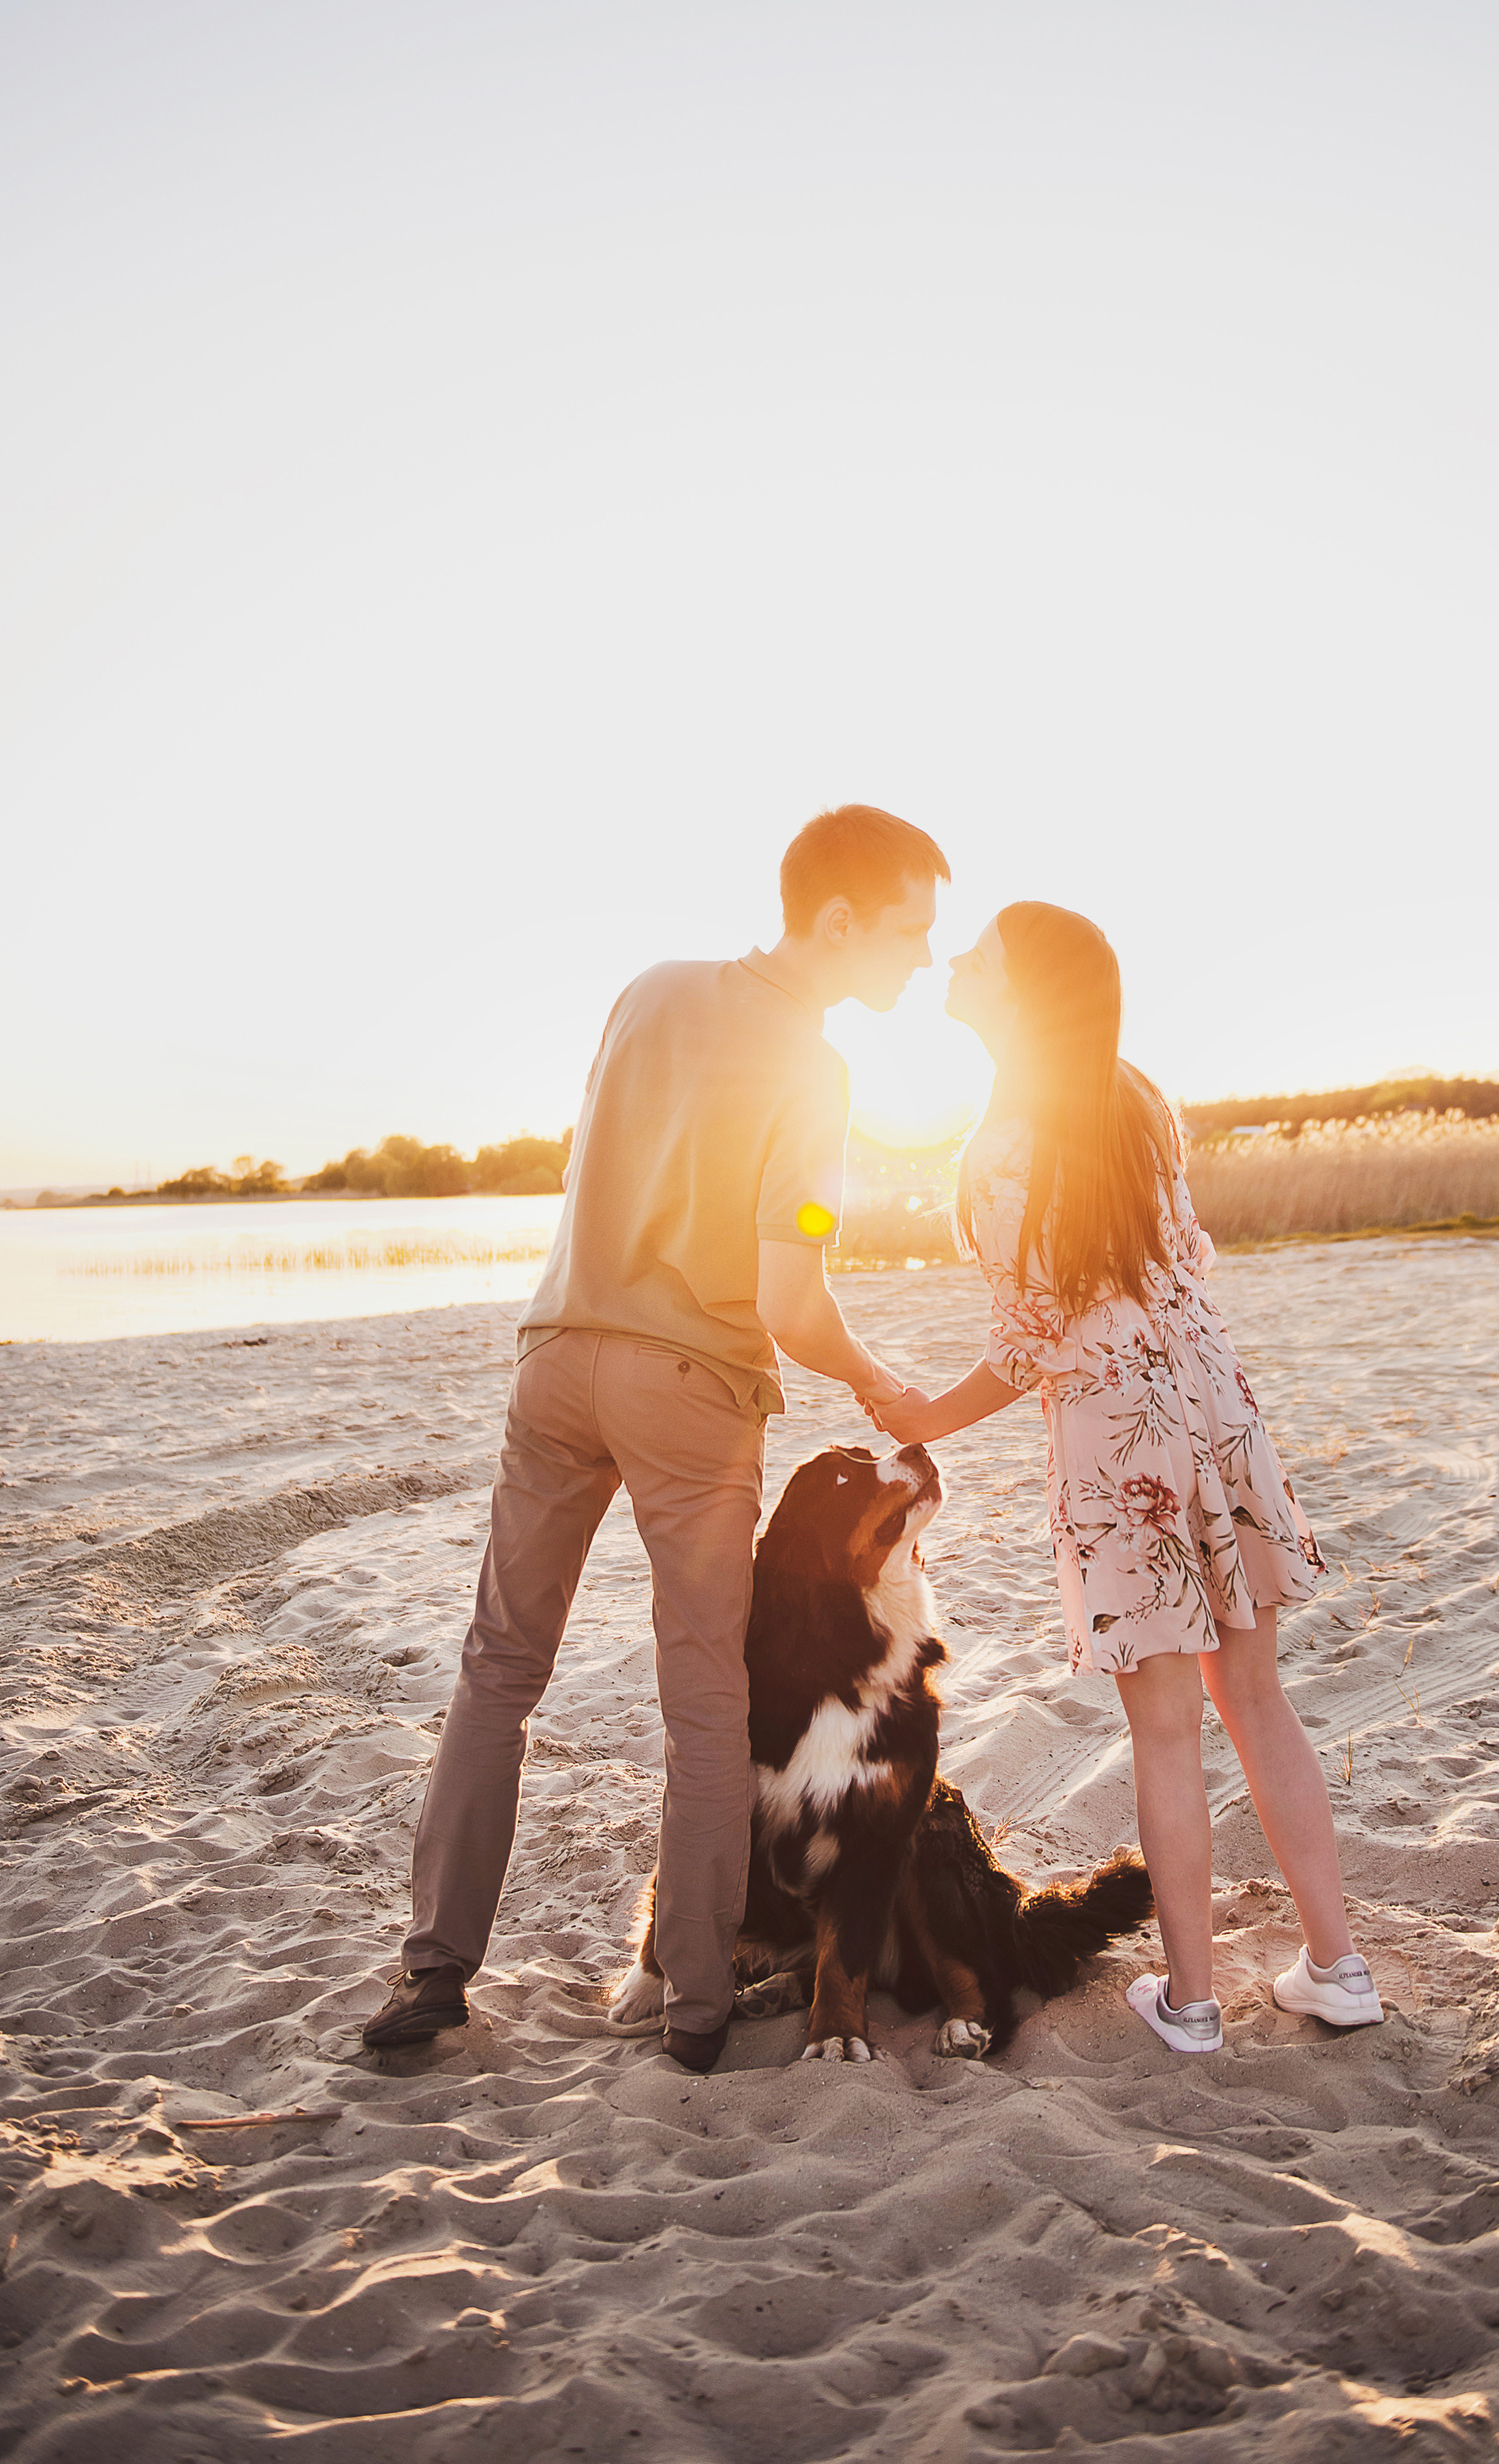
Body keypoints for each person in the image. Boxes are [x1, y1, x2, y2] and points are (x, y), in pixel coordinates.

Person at [363, 805, 950, 2072]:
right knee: (706, 1697)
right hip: (689, 1390)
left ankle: (434, 1970)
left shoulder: (648, 991)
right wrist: (877, 1378)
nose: (922, 955)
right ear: (837, 917)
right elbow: (790, 1299)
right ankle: (694, 2005)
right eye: (909, 929)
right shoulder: (817, 1073)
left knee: (497, 1669)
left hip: (556, 1358)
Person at [875, 903, 1381, 2053]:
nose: (956, 959)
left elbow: (1030, 1341)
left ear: (1021, 993)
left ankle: (1193, 2005)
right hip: (1216, 1411)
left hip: (1123, 1443)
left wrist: (923, 1416)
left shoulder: (1000, 1149)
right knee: (1256, 1698)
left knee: (1164, 1729)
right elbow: (1180, 1261)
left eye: (980, 954)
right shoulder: (1138, 1096)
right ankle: (1338, 1968)